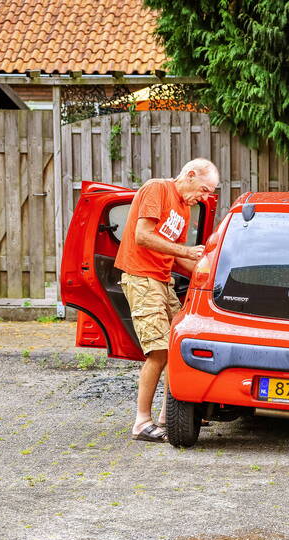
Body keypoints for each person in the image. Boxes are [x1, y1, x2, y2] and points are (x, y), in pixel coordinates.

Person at [113, 159, 220, 441]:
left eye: (209, 193)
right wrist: (188, 253)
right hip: (140, 277)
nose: (205, 197)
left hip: (162, 280)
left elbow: (171, 256)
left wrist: (207, 275)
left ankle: (166, 418)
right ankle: (141, 423)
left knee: (177, 348)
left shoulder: (184, 209)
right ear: (190, 174)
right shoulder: (157, 189)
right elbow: (143, 236)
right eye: (205, 189)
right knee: (158, 352)